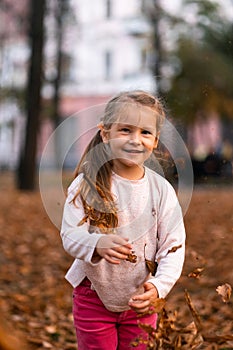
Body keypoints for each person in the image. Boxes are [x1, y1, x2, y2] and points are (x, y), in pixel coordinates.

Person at [60, 90, 186, 350]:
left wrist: (159, 285)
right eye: (125, 130)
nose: (135, 140)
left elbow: (174, 245)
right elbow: (70, 235)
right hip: (92, 294)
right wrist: (97, 244)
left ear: (156, 140)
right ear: (105, 134)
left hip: (141, 298)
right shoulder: (87, 184)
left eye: (145, 133)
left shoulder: (161, 190)